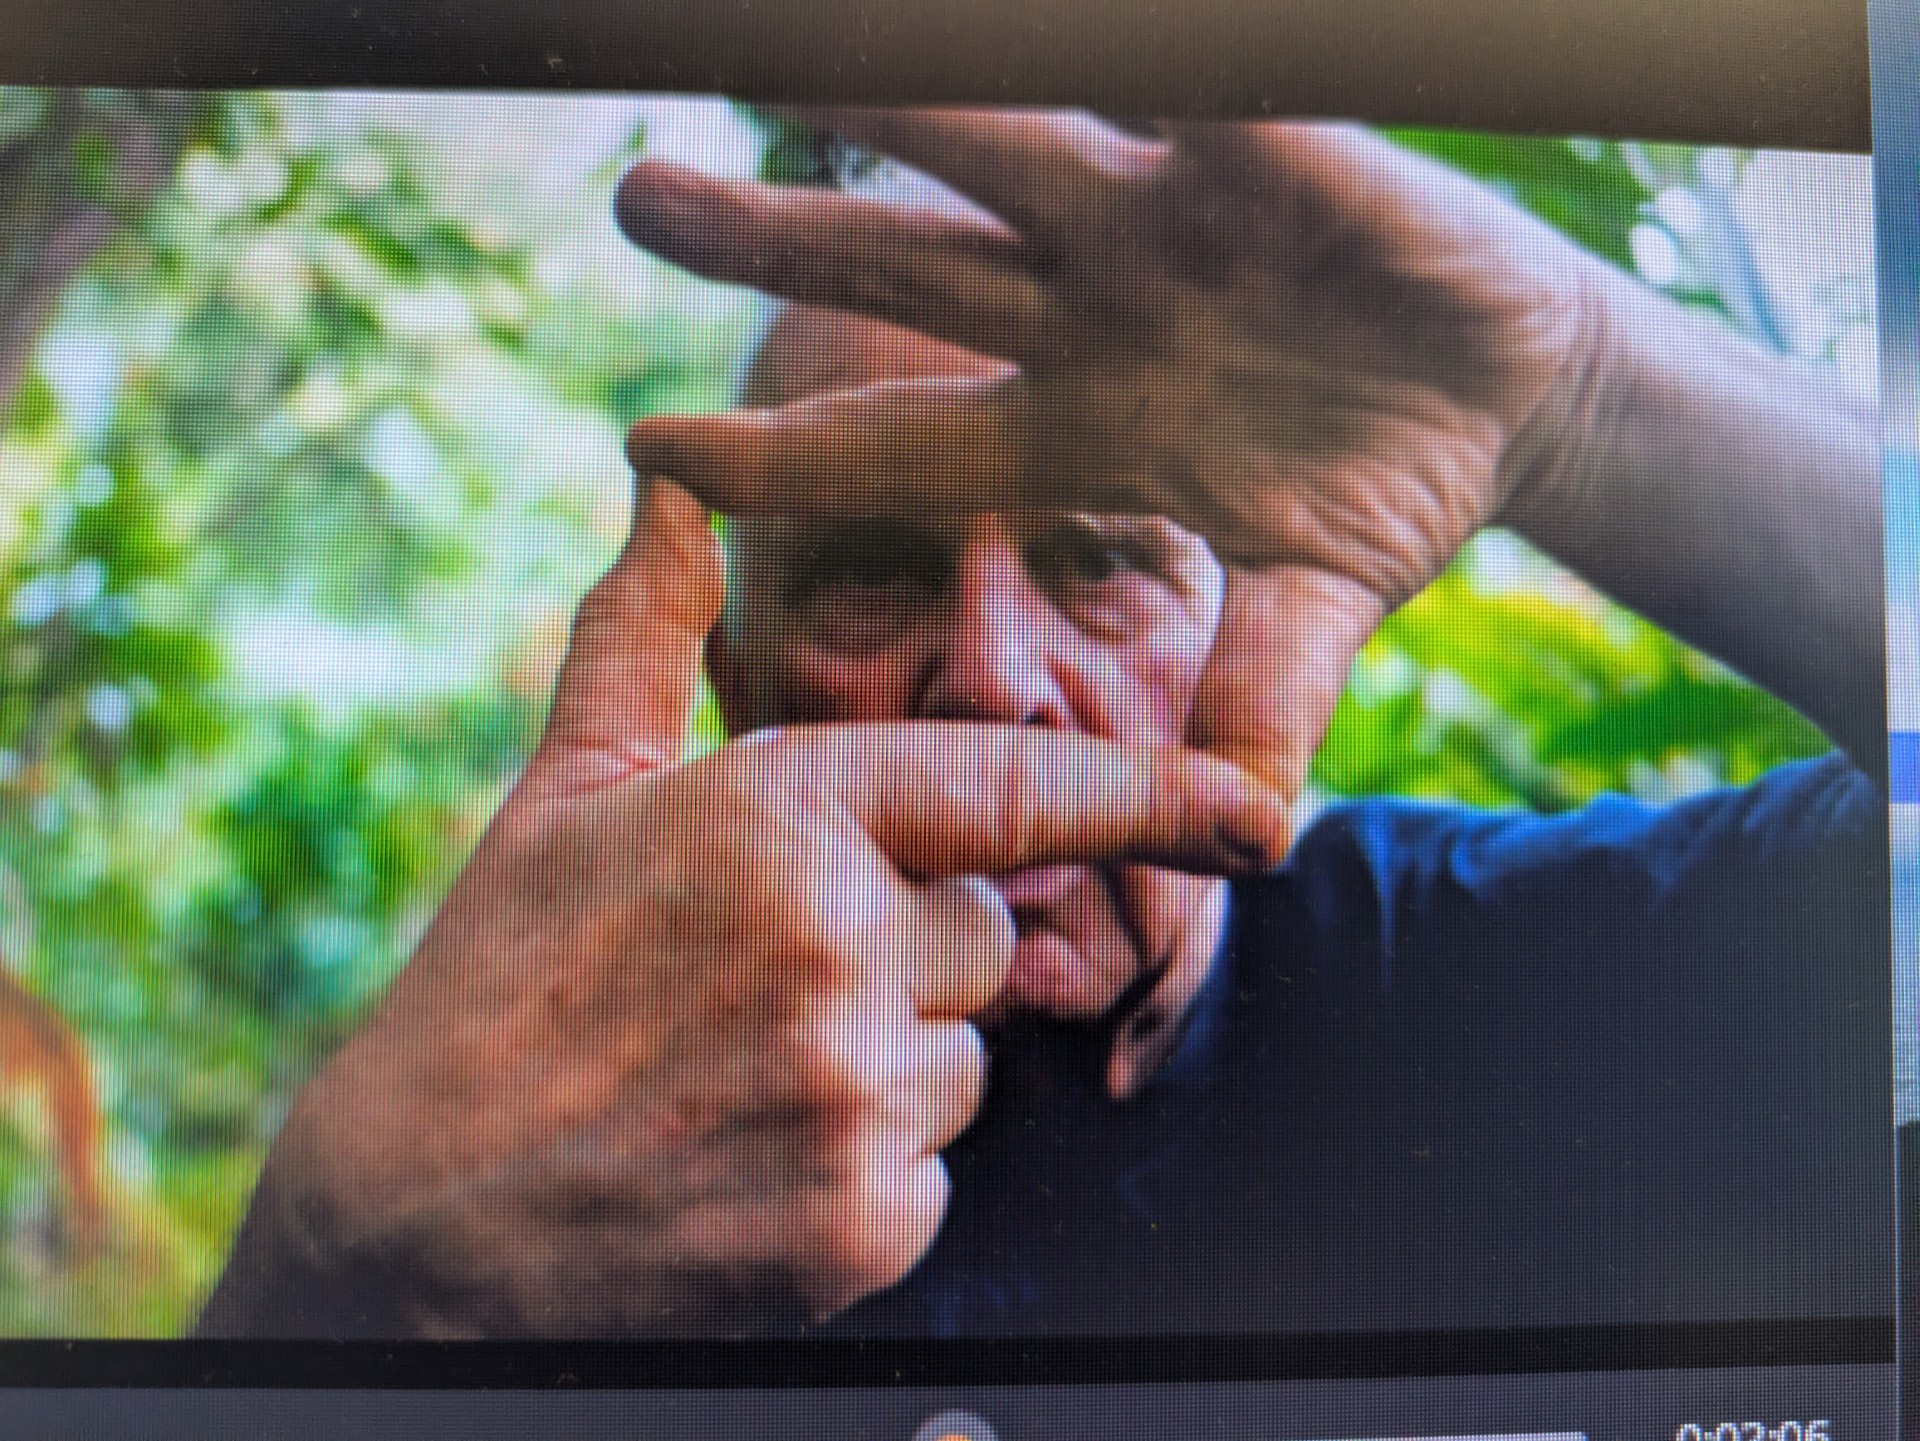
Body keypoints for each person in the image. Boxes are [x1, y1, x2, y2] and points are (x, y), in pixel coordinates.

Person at [196, 112, 1892, 1339]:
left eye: (1098, 553)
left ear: (1264, 624)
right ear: (736, 678)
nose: (991, 676)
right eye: (869, 571)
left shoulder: (1526, 978)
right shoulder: (547, 1147)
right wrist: (334, 1269)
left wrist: (1583, 396)